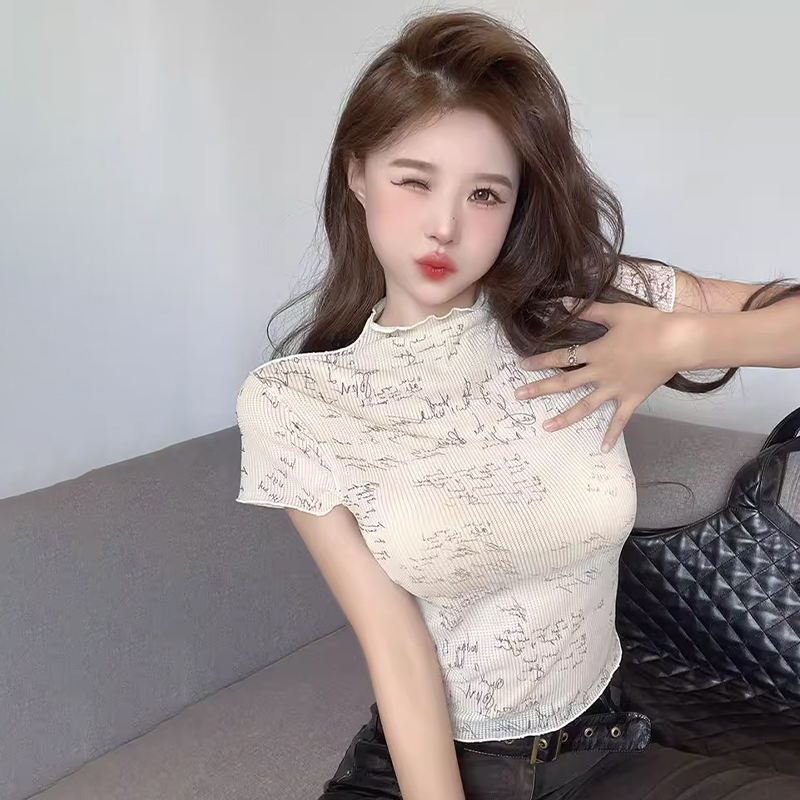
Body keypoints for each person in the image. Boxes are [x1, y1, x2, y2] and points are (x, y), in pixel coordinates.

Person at [235, 10, 800, 800]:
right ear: (357, 173)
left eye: (485, 194)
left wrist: (679, 340)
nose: (444, 226)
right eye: (414, 180)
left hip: (603, 749)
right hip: (421, 770)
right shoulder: (297, 401)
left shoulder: (584, 312)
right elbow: (396, 649)